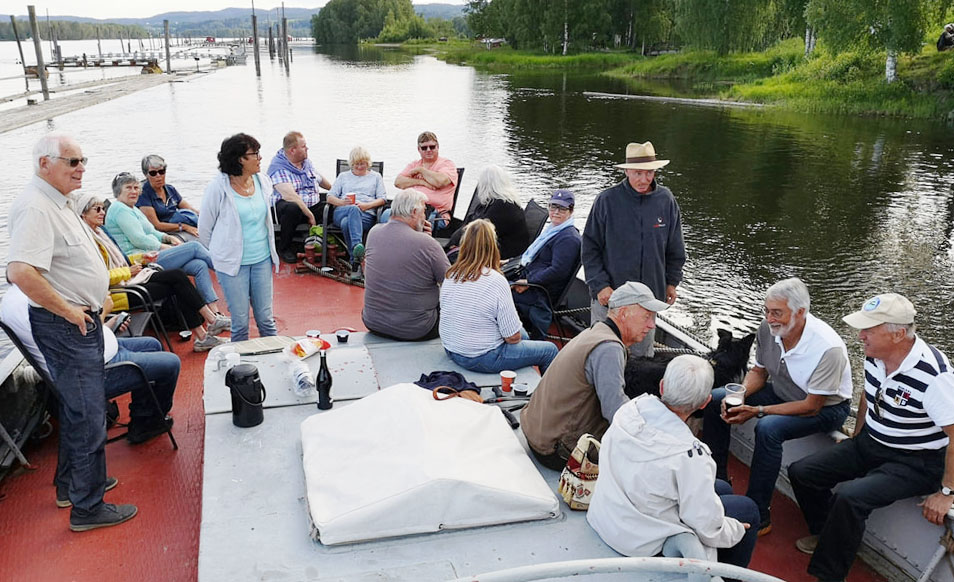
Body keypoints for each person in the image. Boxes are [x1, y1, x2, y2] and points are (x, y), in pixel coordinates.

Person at [6, 134, 137, 531]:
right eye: (72, 161)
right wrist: (69, 310)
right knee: (88, 415)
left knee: (80, 409)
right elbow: (20, 272)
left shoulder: (58, 201)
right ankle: (87, 507)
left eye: (83, 159)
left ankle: (72, 486)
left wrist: (98, 296)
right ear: (45, 164)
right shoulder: (35, 207)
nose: (81, 167)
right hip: (67, 326)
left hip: (81, 320)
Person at [788, 293, 954, 582]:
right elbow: (868, 393)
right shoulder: (875, 356)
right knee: (802, 472)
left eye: (869, 330)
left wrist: (946, 492)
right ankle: (830, 534)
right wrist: (857, 435)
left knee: (850, 498)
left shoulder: (934, 377)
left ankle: (829, 575)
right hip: (872, 442)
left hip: (916, 461)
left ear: (898, 334)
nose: (860, 336)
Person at [701, 277, 852, 536]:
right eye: (767, 311)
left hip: (825, 408)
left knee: (769, 428)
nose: (770, 318)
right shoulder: (767, 329)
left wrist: (758, 411)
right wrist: (740, 395)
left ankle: (758, 514)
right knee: (715, 400)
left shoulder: (828, 348)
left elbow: (811, 406)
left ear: (800, 312)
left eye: (777, 313)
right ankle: (719, 481)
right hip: (783, 391)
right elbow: (759, 372)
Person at [587, 355, 759, 572]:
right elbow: (708, 528)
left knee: (722, 488)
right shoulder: (690, 456)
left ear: (662, 386)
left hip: (607, 516)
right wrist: (734, 529)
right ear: (705, 402)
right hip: (640, 542)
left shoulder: (628, 411)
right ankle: (726, 576)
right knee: (748, 510)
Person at [1, 285, 179, 486]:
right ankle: (146, 425)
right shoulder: (35, 304)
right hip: (95, 370)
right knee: (171, 364)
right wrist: (103, 312)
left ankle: (143, 419)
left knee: (152, 345)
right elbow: (77, 346)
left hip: (101, 350)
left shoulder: (23, 297)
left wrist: (106, 323)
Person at [521, 281, 667, 470]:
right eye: (646, 316)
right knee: (649, 458)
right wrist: (655, 437)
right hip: (555, 450)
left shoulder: (597, 331)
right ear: (623, 313)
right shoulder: (609, 348)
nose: (651, 325)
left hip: (538, 431)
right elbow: (616, 412)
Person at [77, 192, 229, 352]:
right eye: (97, 209)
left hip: (131, 280)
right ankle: (208, 327)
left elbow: (122, 259)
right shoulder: (87, 243)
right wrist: (127, 272)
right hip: (121, 293)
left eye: (102, 208)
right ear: (83, 214)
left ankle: (206, 331)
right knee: (178, 281)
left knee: (178, 276)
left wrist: (142, 257)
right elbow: (99, 278)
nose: (102, 212)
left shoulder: (101, 234)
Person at [582, 141, 685, 358]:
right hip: (610, 299)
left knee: (641, 360)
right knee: (601, 355)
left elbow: (676, 248)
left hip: (648, 303)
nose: (644, 180)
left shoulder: (666, 200)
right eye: (638, 173)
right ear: (627, 170)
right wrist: (600, 286)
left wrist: (672, 282)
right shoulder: (606, 200)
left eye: (649, 173)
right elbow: (589, 247)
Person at [439, 219, 558, 375]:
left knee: (522, 334)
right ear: (492, 247)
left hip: (452, 349)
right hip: (481, 358)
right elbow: (512, 338)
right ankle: (546, 397)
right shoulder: (496, 281)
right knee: (550, 350)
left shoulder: (451, 274)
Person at [199, 133, 279, 342]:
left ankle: (274, 364)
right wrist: (222, 253)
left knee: (266, 321)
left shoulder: (262, 182)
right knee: (241, 324)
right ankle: (240, 371)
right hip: (233, 266)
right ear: (239, 159)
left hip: (261, 259)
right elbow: (205, 229)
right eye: (255, 154)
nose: (260, 158)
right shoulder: (218, 188)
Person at [104, 172, 221, 310]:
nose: (134, 191)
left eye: (136, 188)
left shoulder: (132, 208)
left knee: (199, 265)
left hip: (153, 254)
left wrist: (168, 237)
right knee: (194, 247)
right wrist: (165, 247)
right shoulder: (119, 209)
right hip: (141, 260)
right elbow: (139, 240)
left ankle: (215, 312)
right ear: (118, 191)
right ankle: (226, 271)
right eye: (128, 188)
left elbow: (152, 231)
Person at [362, 189, 449, 341]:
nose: (425, 216)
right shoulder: (427, 244)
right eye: (424, 211)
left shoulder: (373, 233)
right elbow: (451, 282)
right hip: (417, 329)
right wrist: (428, 241)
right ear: (414, 212)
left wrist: (423, 238)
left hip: (374, 323)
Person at [511, 189, 581, 339]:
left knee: (496, 294)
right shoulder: (554, 230)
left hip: (539, 293)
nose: (555, 212)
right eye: (553, 206)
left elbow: (558, 271)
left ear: (571, 210)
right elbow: (531, 256)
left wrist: (529, 282)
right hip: (529, 279)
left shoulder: (568, 239)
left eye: (561, 208)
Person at [266, 131, 333, 263]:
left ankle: (319, 241)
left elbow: (319, 179)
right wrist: (310, 215)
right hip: (289, 208)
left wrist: (336, 192)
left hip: (311, 204)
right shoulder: (278, 168)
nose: (307, 148)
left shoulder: (306, 163)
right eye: (303, 146)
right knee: (293, 208)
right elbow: (291, 196)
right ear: (292, 150)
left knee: (332, 207)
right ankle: (284, 247)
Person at [326, 145, 388, 275]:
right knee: (352, 210)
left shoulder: (375, 177)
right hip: (343, 210)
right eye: (357, 164)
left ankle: (355, 260)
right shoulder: (343, 176)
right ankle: (357, 248)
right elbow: (329, 197)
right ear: (352, 164)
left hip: (365, 214)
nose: (360, 167)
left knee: (346, 223)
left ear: (368, 163)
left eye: (363, 164)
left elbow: (382, 199)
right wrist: (342, 202)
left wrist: (367, 205)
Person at [446, 165, 528, 260]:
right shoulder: (496, 203)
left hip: (502, 255)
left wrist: (454, 243)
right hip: (493, 247)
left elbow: (479, 232)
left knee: (451, 257)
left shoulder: (502, 207)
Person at [394, 131, 458, 230]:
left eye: (432, 147)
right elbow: (398, 182)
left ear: (438, 147)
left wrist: (421, 170)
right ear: (418, 149)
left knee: (409, 225)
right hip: (408, 208)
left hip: (435, 214)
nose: (428, 150)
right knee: (386, 215)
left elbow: (439, 182)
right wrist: (421, 182)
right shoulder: (414, 164)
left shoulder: (447, 164)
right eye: (424, 148)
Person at [137, 154, 200, 239]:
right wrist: (185, 227)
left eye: (161, 172)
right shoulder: (143, 193)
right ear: (146, 175)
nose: (158, 176)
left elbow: (190, 209)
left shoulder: (170, 189)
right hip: (165, 231)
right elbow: (156, 225)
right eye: (153, 173)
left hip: (179, 221)